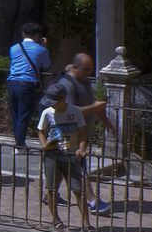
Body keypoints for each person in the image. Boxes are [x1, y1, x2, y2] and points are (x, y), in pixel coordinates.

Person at [48, 53, 113, 215]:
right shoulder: (66, 85)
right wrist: (96, 108)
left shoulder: (84, 82)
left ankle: (49, 194)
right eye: (86, 69)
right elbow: (68, 113)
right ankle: (92, 202)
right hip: (69, 135)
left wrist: (106, 121)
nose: (89, 72)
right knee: (80, 168)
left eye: (91, 69)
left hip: (81, 133)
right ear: (75, 67)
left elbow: (92, 105)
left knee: (65, 167)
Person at [37, 82, 92, 232]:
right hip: (52, 155)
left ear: (63, 98)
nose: (53, 105)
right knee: (52, 188)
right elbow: (41, 131)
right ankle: (56, 220)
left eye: (55, 102)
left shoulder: (75, 111)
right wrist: (44, 146)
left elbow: (82, 133)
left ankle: (86, 223)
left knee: (78, 189)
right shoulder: (47, 112)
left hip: (71, 156)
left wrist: (82, 148)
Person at [7, 22, 51, 149]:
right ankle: (20, 145)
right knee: (24, 114)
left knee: (15, 114)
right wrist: (44, 46)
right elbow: (46, 65)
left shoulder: (14, 48)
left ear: (23, 34)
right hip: (27, 84)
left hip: (11, 82)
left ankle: (18, 142)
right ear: (37, 35)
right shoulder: (41, 50)